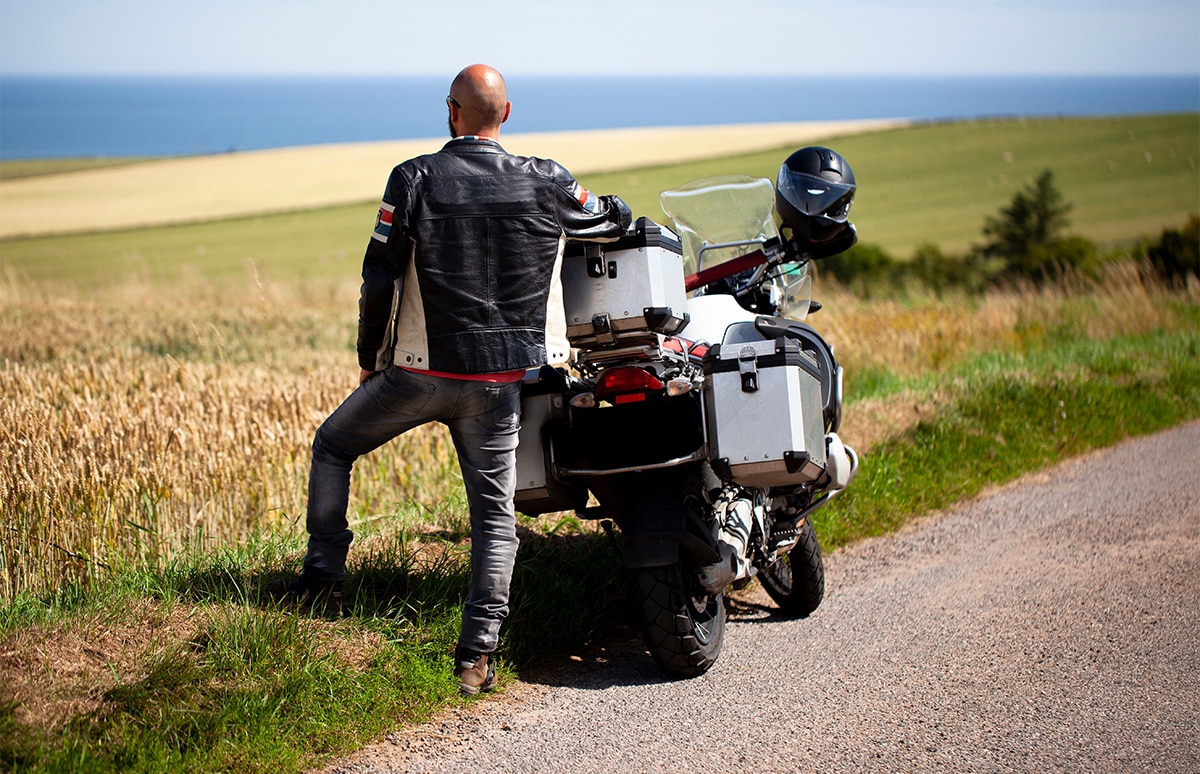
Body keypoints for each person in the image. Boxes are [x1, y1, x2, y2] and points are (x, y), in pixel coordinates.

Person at [270, 64, 631, 696]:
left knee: (333, 446)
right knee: (494, 518)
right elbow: (607, 219)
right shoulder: (546, 178)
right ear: (508, 114)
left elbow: (378, 274)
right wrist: (616, 207)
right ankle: (475, 660)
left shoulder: (412, 178)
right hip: (500, 383)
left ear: (451, 112)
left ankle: (322, 582)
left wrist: (368, 354)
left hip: (418, 373)